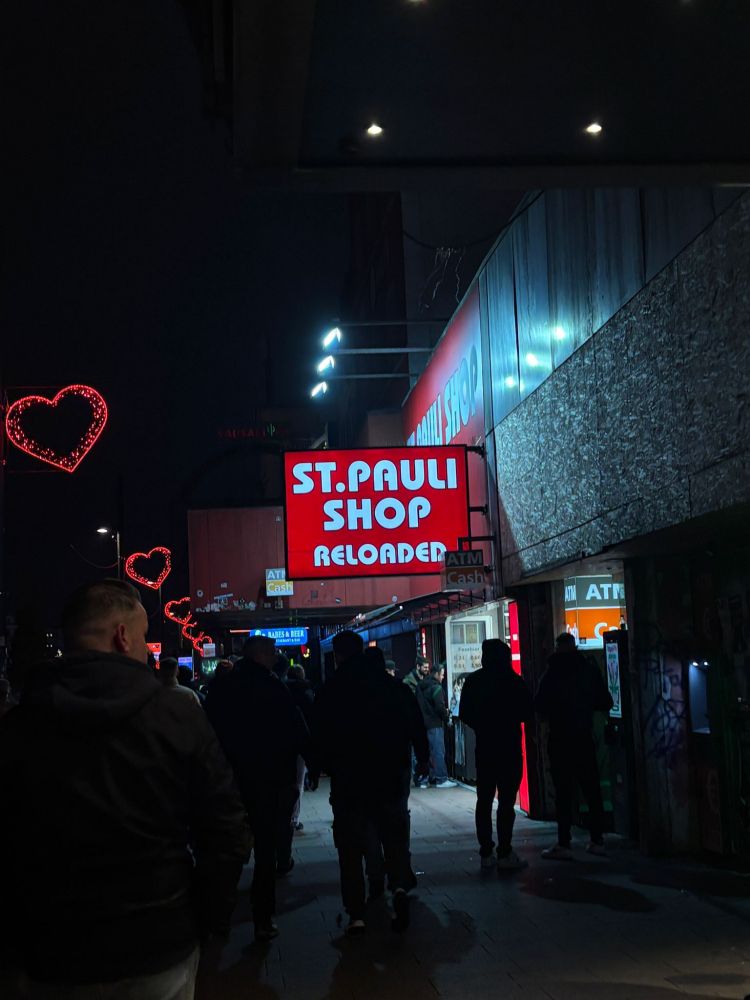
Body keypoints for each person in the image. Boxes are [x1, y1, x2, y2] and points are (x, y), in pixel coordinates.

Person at [0, 579, 250, 998]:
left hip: (47, 951)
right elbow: (226, 831)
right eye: (143, 637)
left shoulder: (19, 727)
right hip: (156, 943)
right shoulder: (177, 717)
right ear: (122, 636)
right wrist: (209, 923)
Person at [312, 632, 429, 935]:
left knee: (350, 845)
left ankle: (356, 912)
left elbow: (319, 733)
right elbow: (415, 724)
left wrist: (319, 767)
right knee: (394, 833)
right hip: (390, 773)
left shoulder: (333, 690)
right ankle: (399, 887)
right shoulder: (391, 686)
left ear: (337, 655)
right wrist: (423, 757)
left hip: (349, 779)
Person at [206, 634, 313, 943]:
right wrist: (312, 763)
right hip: (269, 780)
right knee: (265, 854)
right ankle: (262, 919)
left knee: (228, 852)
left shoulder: (222, 688)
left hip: (230, 781)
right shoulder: (272, 686)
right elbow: (296, 728)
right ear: (261, 656)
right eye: (272, 652)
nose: (275, 656)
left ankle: (220, 917)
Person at [535, 632, 614, 859]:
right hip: (583, 736)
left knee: (563, 791)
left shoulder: (552, 673)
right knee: (591, 788)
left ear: (558, 648)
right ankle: (597, 839)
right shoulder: (588, 670)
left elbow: (540, 705)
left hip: (560, 737)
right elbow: (604, 701)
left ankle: (564, 842)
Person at [459, 639, 534, 871]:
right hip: (509, 747)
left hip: (485, 748)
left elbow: (465, 714)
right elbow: (527, 711)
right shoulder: (514, 681)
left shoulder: (474, 681)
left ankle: (485, 852)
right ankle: (504, 850)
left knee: (483, 800)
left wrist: (483, 726)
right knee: (506, 802)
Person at [416, 665, 456, 788]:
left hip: (423, 724)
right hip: (435, 723)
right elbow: (439, 707)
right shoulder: (436, 688)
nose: (443, 677)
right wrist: (446, 716)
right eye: (442, 674)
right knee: (438, 751)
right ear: (436, 674)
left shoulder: (421, 686)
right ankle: (441, 779)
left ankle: (426, 778)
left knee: (427, 752)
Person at [286, 663, 315, 832]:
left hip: (284, 743)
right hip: (302, 742)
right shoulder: (307, 693)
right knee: (298, 782)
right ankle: (294, 818)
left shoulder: (281, 690)